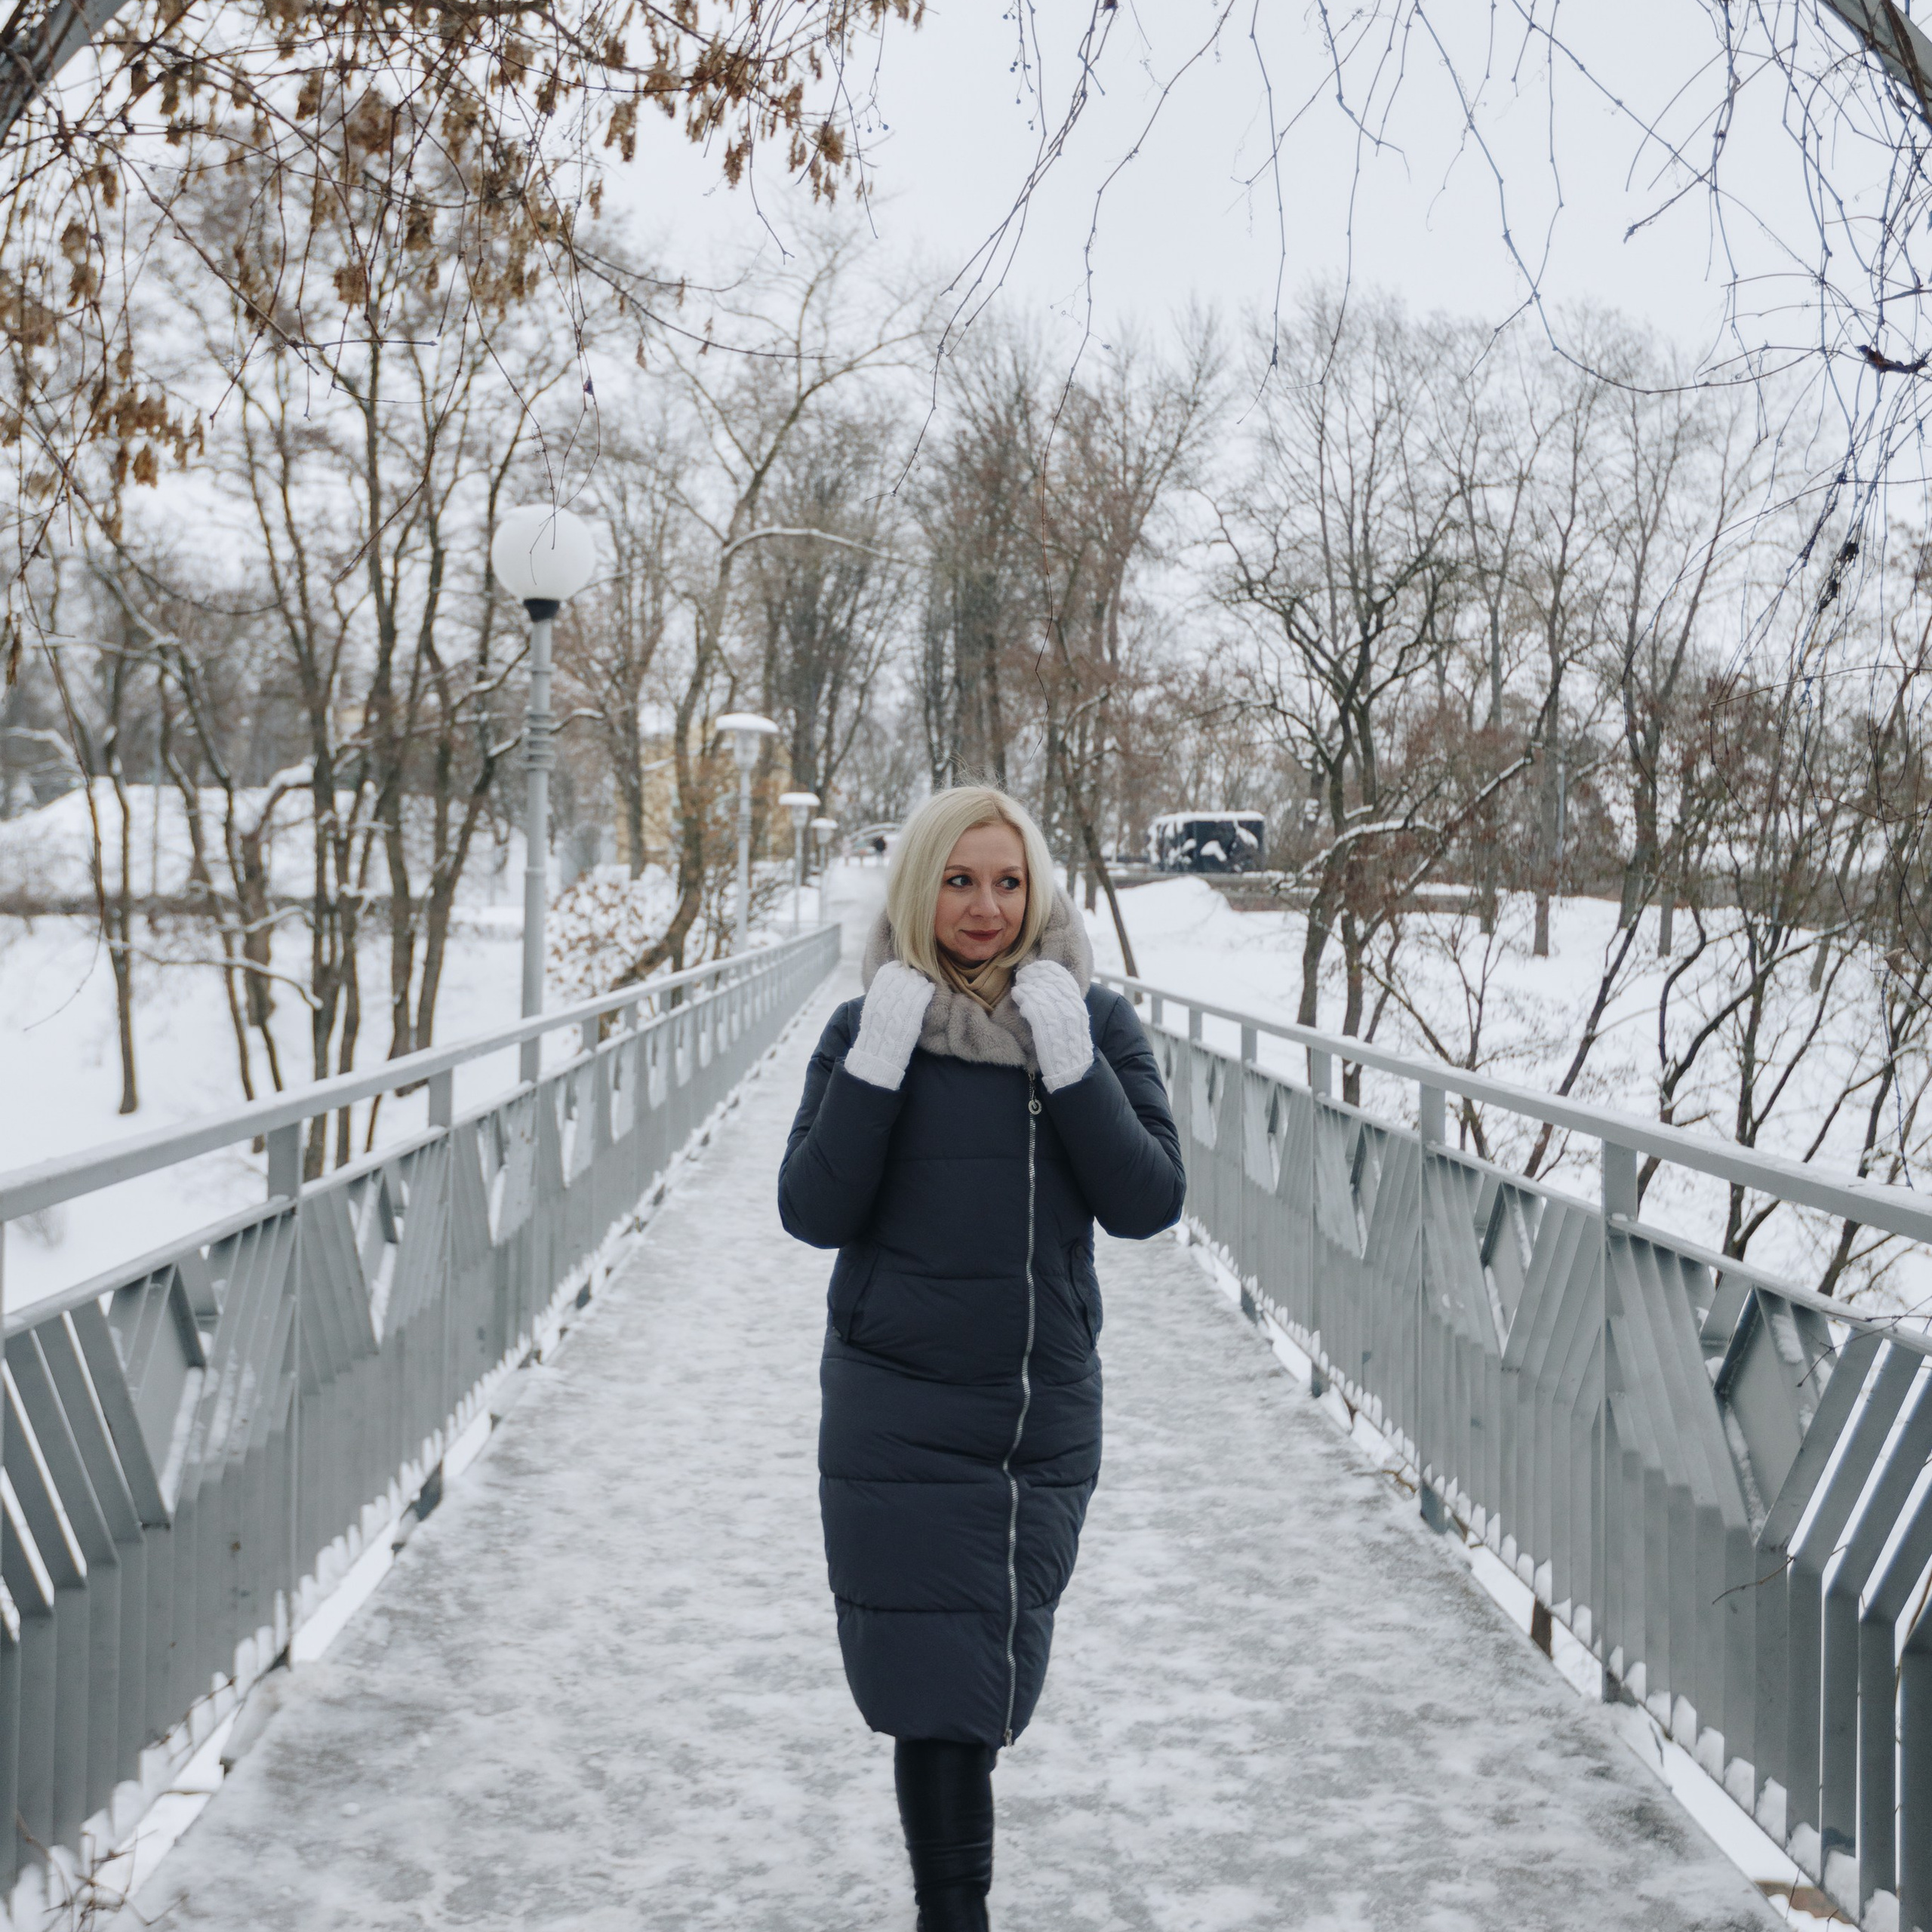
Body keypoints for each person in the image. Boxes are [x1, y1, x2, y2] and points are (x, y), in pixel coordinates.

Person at [777, 786, 1187, 1930]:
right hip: (895, 1404)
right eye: (959, 881)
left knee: (983, 1665)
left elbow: (1149, 1202)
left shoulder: (1093, 1024)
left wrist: (1072, 1061)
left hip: (1030, 1411)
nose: (986, 907)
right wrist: (880, 1060)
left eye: (1009, 882)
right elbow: (811, 1210)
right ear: (920, 887)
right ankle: (952, 1913)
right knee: (936, 1689)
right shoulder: (865, 1028)